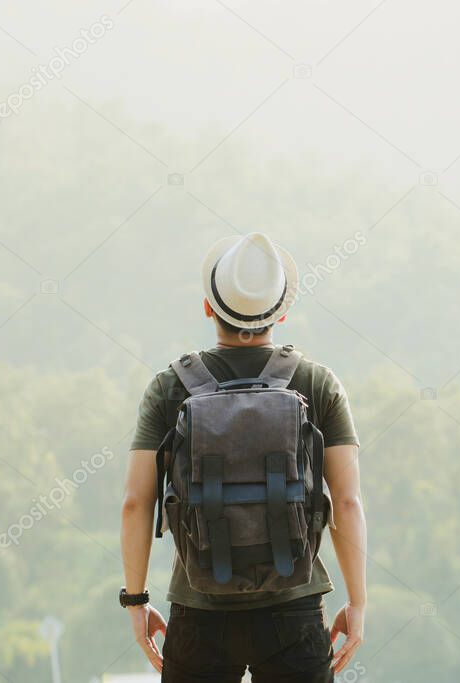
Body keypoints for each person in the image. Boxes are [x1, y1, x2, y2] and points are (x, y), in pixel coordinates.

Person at [120, 233, 367, 682]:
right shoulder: (317, 383)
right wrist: (358, 602)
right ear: (282, 312)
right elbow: (346, 504)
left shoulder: (168, 388)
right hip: (295, 610)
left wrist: (136, 602)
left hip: (198, 613)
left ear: (208, 307)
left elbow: (136, 505)